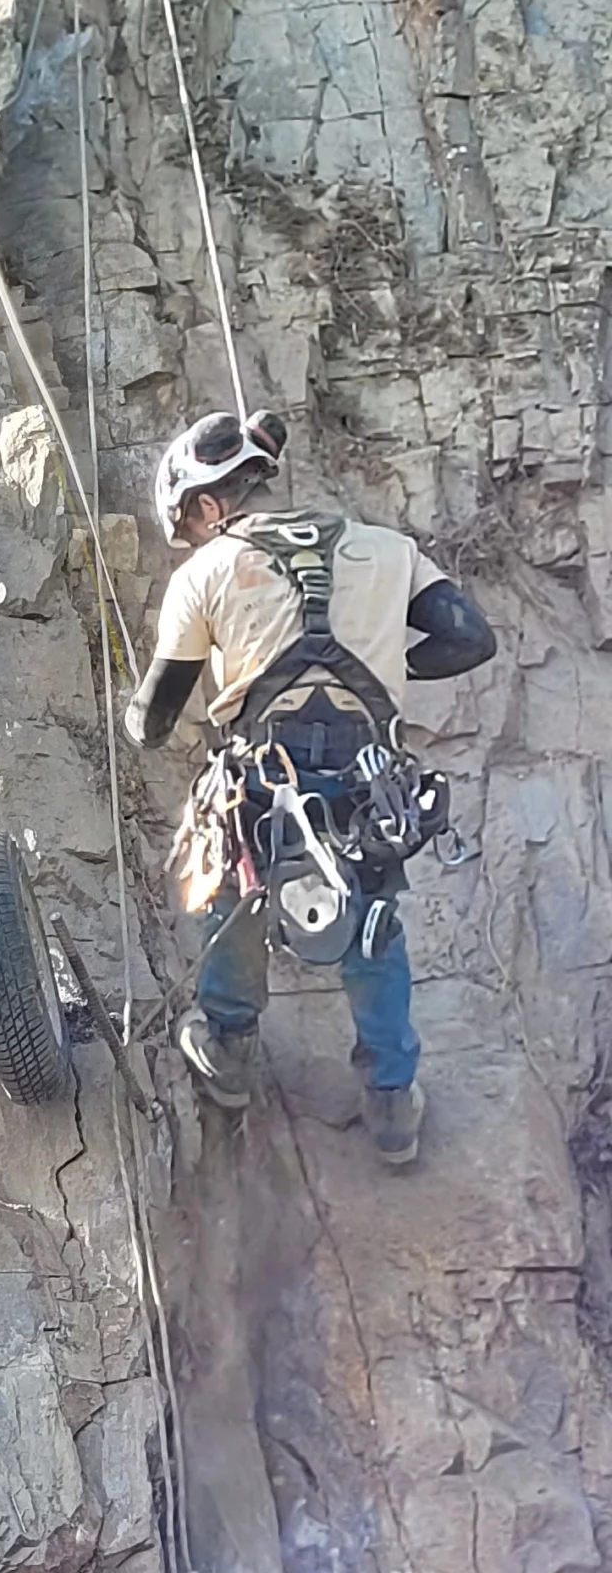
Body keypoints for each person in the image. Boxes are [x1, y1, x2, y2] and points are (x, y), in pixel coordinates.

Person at [125, 410, 495, 1167]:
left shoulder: (205, 570)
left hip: (262, 777)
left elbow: (154, 721)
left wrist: (136, 712)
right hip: (367, 777)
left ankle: (228, 1047)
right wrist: (387, 662)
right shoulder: (390, 551)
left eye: (191, 524)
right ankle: (392, 1100)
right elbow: (470, 637)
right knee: (371, 923)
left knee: (233, 898)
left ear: (203, 505)